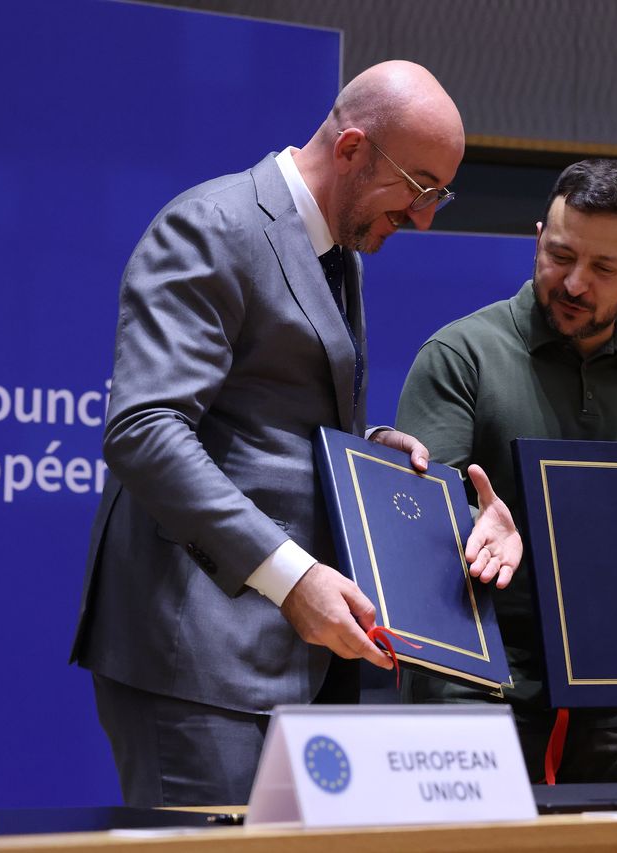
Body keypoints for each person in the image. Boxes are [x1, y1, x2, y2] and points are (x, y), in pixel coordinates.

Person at [69, 61, 521, 808]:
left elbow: (264, 421)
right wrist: (293, 576)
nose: (425, 217)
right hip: (197, 656)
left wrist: (365, 449)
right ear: (350, 149)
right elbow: (145, 429)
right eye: (418, 188)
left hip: (295, 661)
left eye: (440, 194)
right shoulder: (211, 226)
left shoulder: (338, 250)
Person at [395, 158, 617, 784]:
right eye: (560, 255)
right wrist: (478, 520)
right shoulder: (460, 354)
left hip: (610, 685)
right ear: (538, 238)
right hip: (473, 684)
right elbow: (415, 514)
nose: (575, 283)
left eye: (604, 269)